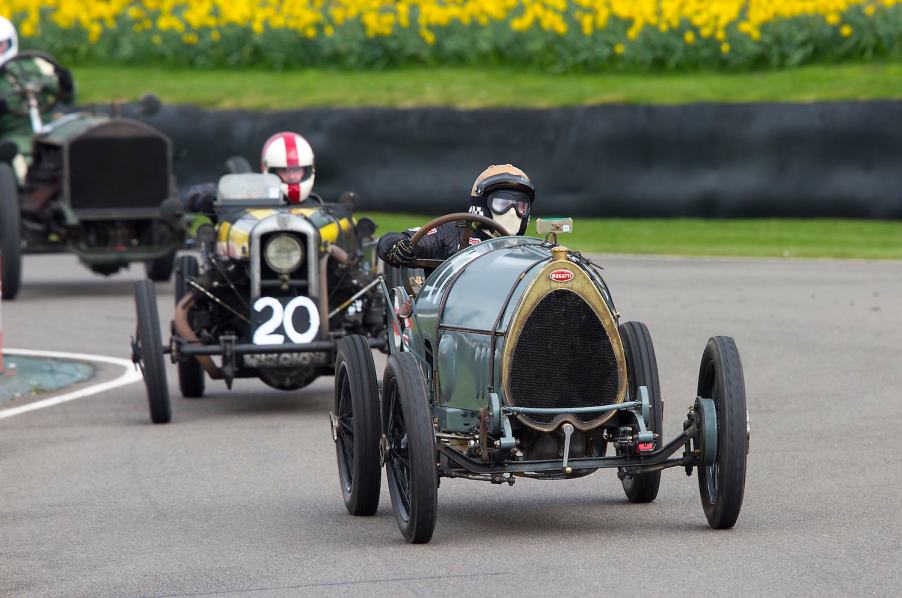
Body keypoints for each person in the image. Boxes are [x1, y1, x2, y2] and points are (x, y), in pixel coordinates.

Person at [377, 164, 535, 268]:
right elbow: (392, 241)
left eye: (520, 205)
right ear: (481, 204)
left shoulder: (530, 251)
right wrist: (395, 245)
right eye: (502, 203)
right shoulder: (451, 234)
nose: (513, 212)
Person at [180, 131, 317, 213]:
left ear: (306, 170)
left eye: (296, 170)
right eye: (285, 170)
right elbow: (192, 195)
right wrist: (210, 199)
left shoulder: (315, 207)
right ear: (270, 170)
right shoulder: (251, 195)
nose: (292, 176)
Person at [0, 16, 75, 152]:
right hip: (12, 135)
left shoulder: (34, 65)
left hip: (48, 127)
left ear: (10, 42)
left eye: (0, 45)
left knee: (78, 140)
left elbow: (67, 99)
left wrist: (65, 84)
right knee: (12, 152)